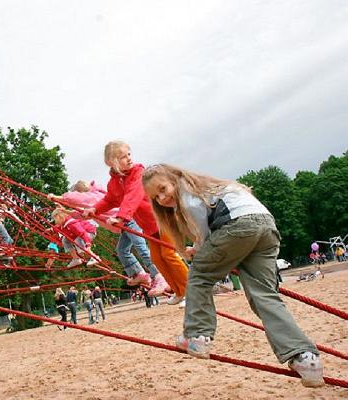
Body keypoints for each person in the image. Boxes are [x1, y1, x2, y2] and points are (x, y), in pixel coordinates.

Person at [142, 163, 324, 387]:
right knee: (264, 296)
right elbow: (211, 233)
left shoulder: (188, 194)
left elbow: (203, 232)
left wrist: (199, 251)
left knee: (199, 274)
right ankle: (306, 359)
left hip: (238, 226)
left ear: (174, 179)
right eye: (155, 197)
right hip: (265, 227)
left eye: (162, 189)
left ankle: (197, 336)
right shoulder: (210, 186)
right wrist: (202, 248)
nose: (161, 198)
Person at [83, 141, 189, 304]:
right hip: (149, 226)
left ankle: (190, 291)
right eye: (122, 157)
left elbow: (132, 197)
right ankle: (179, 291)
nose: (128, 159)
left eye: (129, 155)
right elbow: (110, 199)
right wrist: (95, 210)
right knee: (157, 259)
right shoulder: (114, 183)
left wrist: (121, 217)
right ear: (111, 162)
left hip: (163, 220)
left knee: (169, 255)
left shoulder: (139, 174)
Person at [51, 181, 161, 288]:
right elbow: (81, 215)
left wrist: (57, 197)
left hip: (129, 221)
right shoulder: (92, 205)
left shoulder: (93, 197)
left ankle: (158, 274)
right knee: (121, 250)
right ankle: (140, 274)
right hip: (124, 227)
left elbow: (76, 199)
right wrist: (66, 211)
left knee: (140, 247)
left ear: (81, 193)